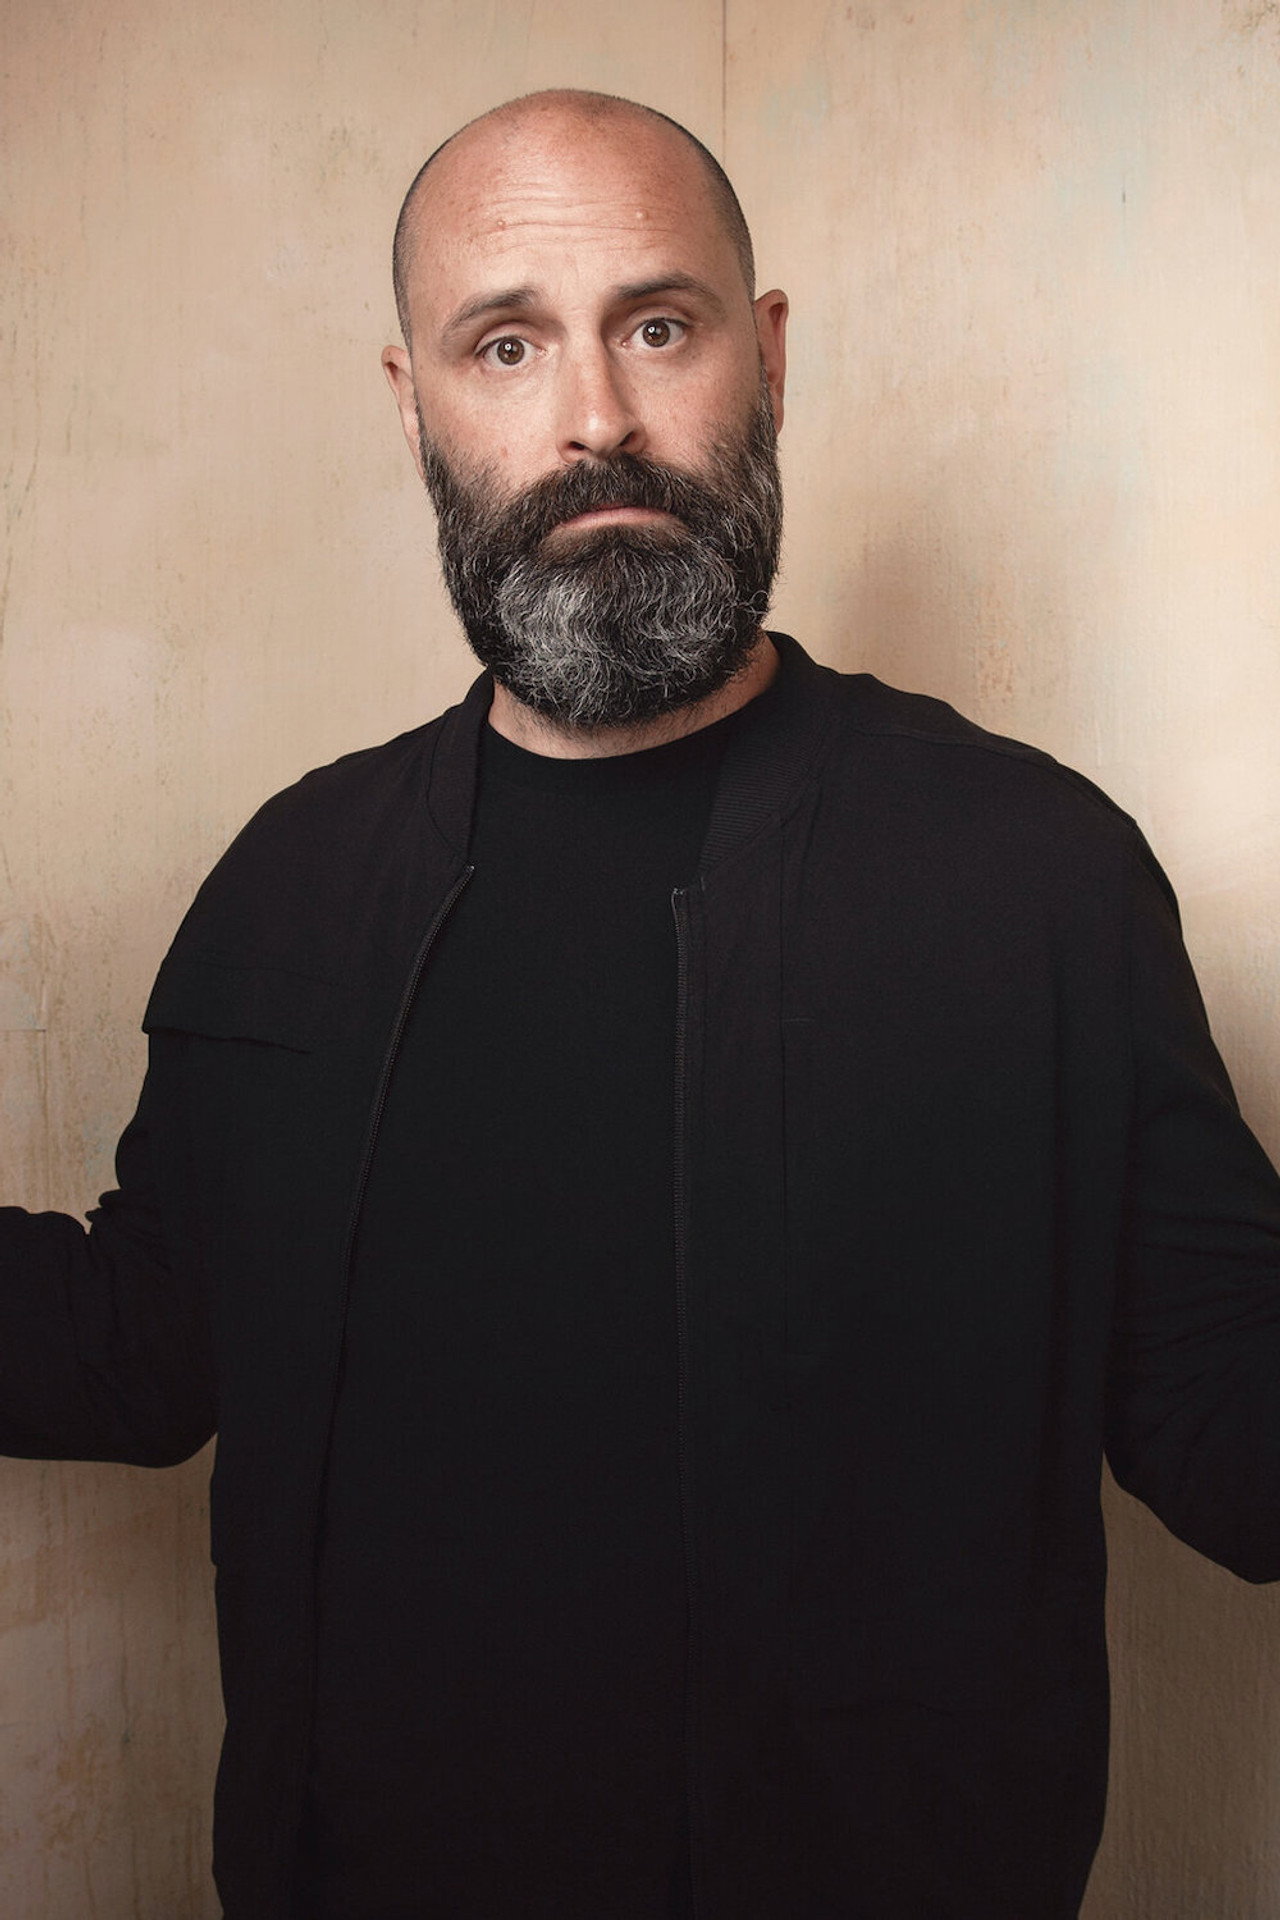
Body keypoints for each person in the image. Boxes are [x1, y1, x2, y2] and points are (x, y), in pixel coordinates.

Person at [3, 85, 1279, 1920]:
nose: (594, 416)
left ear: (768, 360)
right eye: (506, 344)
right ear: (415, 406)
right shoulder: (296, 877)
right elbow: (153, 1335)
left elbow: (1231, 1409)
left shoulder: (1036, 873)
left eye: (658, 327)